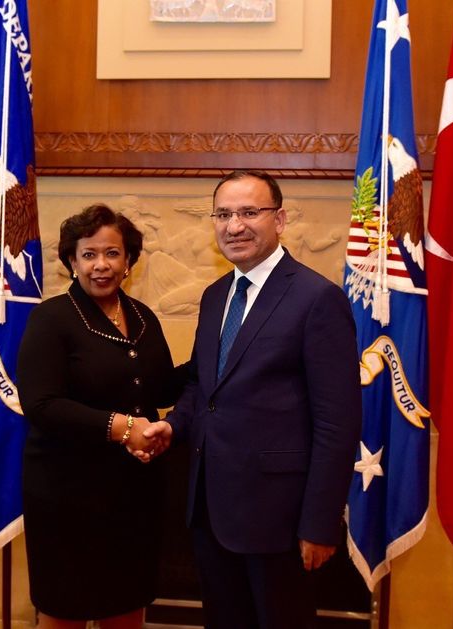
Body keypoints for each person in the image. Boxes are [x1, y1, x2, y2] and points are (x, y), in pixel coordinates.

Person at [141, 170, 362, 629]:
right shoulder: (215, 295)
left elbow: (337, 423)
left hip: (279, 518)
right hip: (210, 508)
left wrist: (320, 523)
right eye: (223, 214)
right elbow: (204, 385)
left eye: (248, 212)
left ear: (279, 220)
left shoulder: (317, 298)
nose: (234, 225)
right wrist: (174, 426)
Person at [17, 204, 183, 629]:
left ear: (129, 260)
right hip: (66, 494)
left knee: (127, 600)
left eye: (112, 253)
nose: (101, 265)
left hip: (133, 492)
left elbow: (161, 389)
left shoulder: (143, 317)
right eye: (89, 254)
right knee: (66, 606)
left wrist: (221, 360)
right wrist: (123, 428)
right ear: (72, 262)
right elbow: (40, 404)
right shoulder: (50, 318)